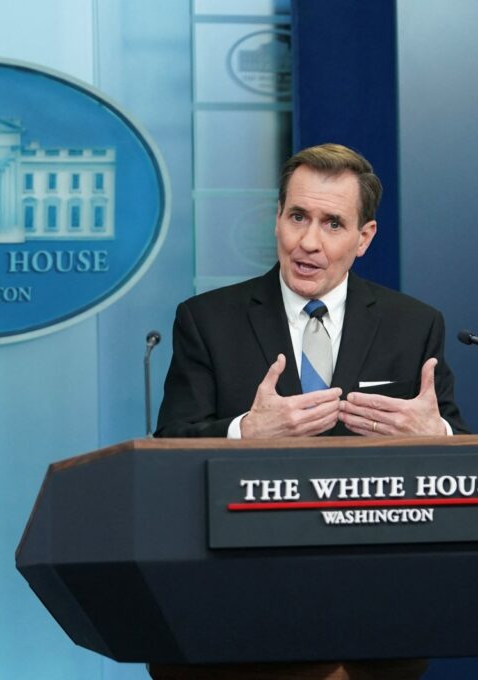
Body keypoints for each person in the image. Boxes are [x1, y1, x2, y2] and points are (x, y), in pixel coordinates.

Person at [151, 144, 467, 680]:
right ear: (277, 218)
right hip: (245, 602)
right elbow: (168, 448)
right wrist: (245, 432)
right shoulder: (208, 320)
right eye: (297, 216)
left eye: (332, 223)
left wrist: (432, 432)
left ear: (363, 238)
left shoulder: (413, 326)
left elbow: (457, 456)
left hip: (373, 610)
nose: (308, 242)